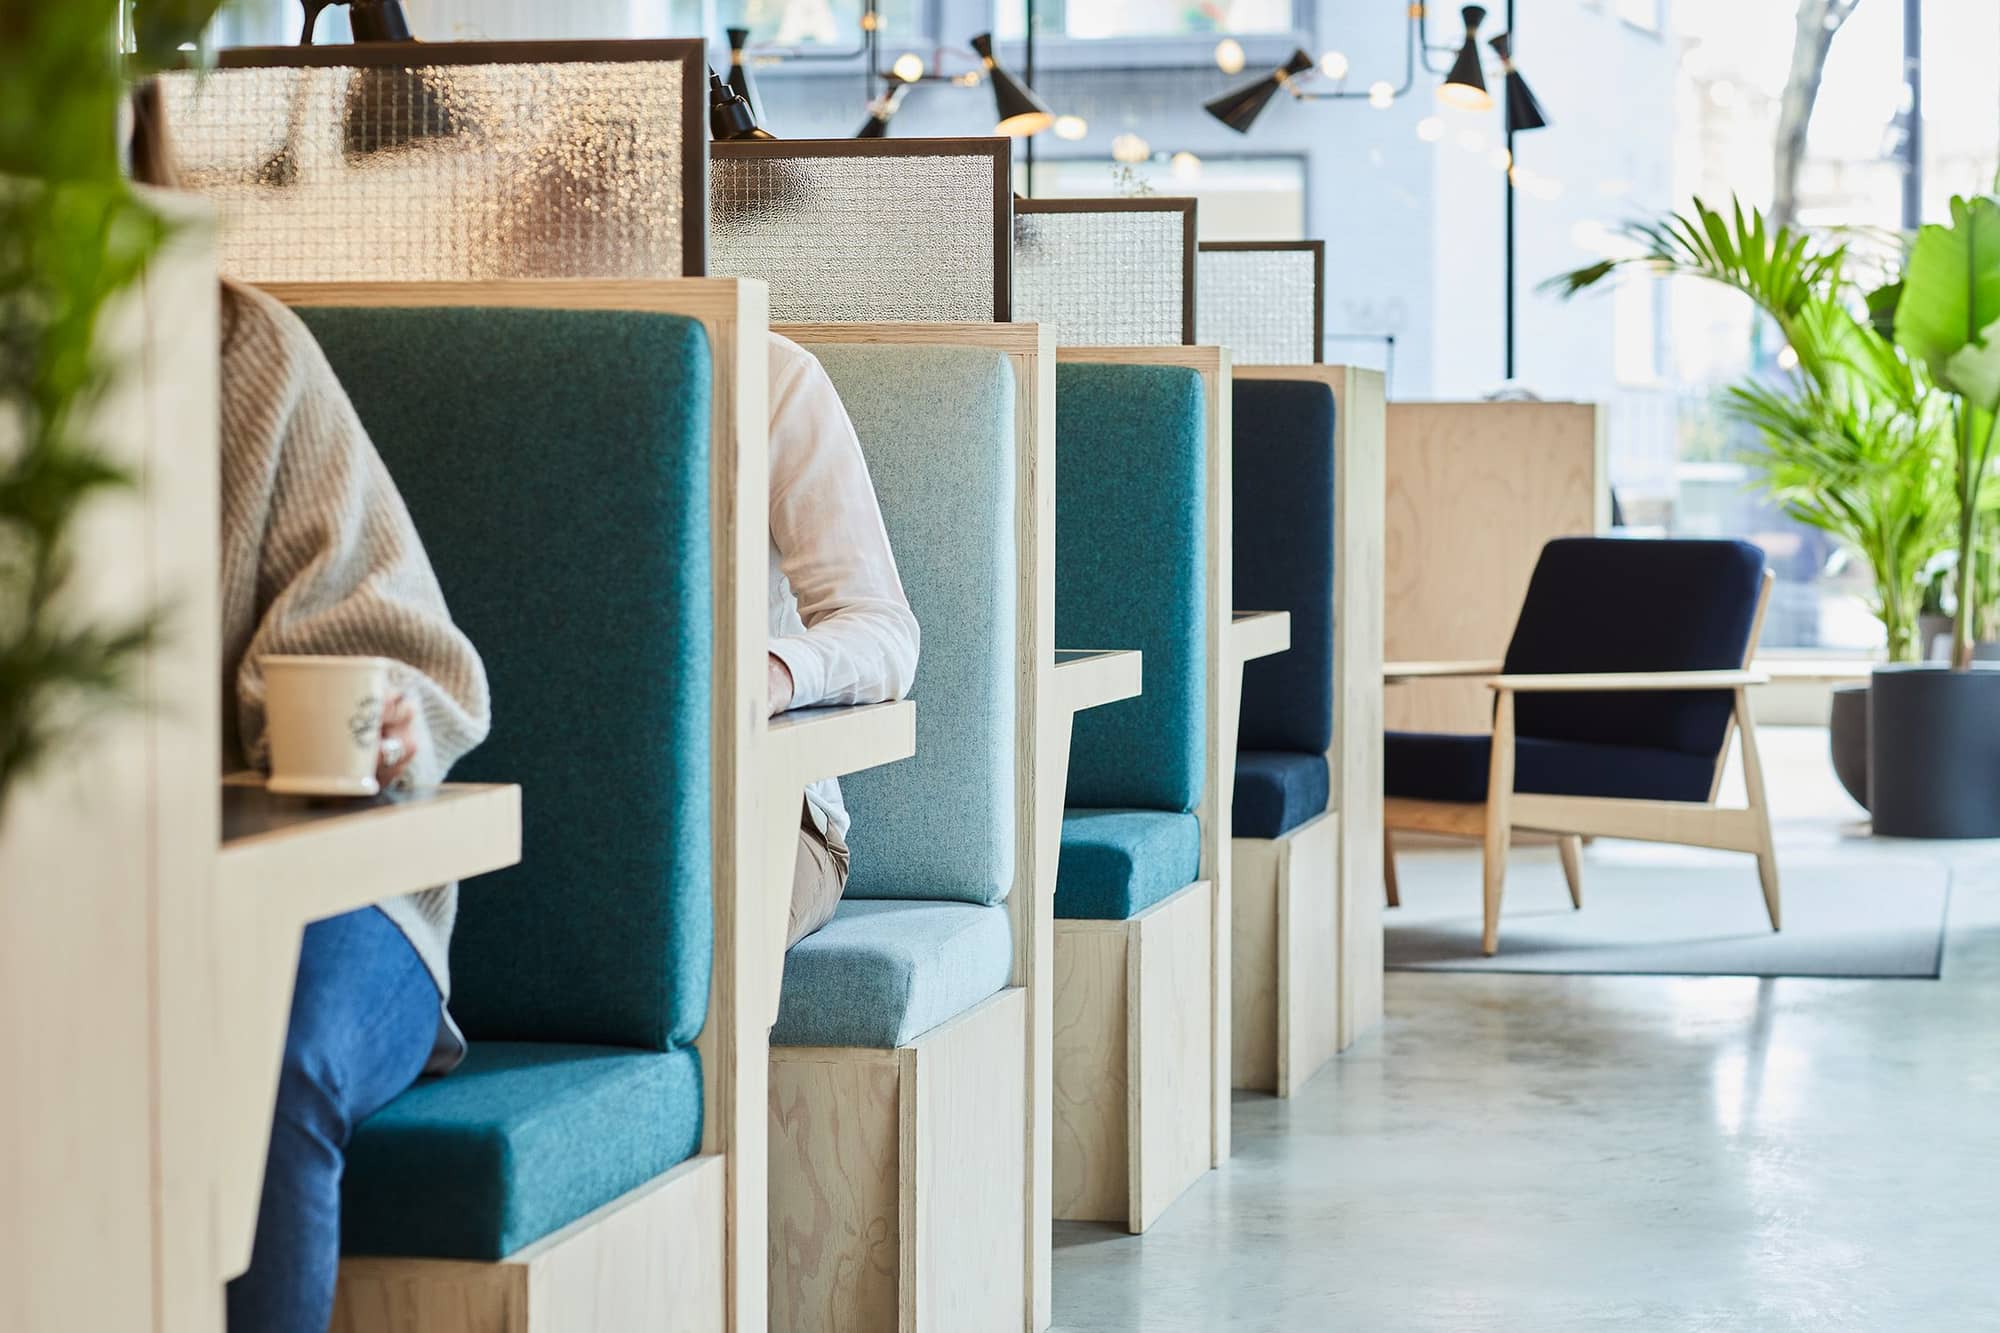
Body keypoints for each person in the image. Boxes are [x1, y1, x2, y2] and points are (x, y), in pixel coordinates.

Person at [132, 87, 492, 1331]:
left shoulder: (241, 354)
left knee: (252, 1058)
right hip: (79, 889)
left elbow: (389, 645)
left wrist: (385, 719)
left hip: (330, 889)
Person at [764, 332, 921, 947]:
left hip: (769, 814)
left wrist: (774, 671)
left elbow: (882, 627)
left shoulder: (771, 376)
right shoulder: (474, 378)